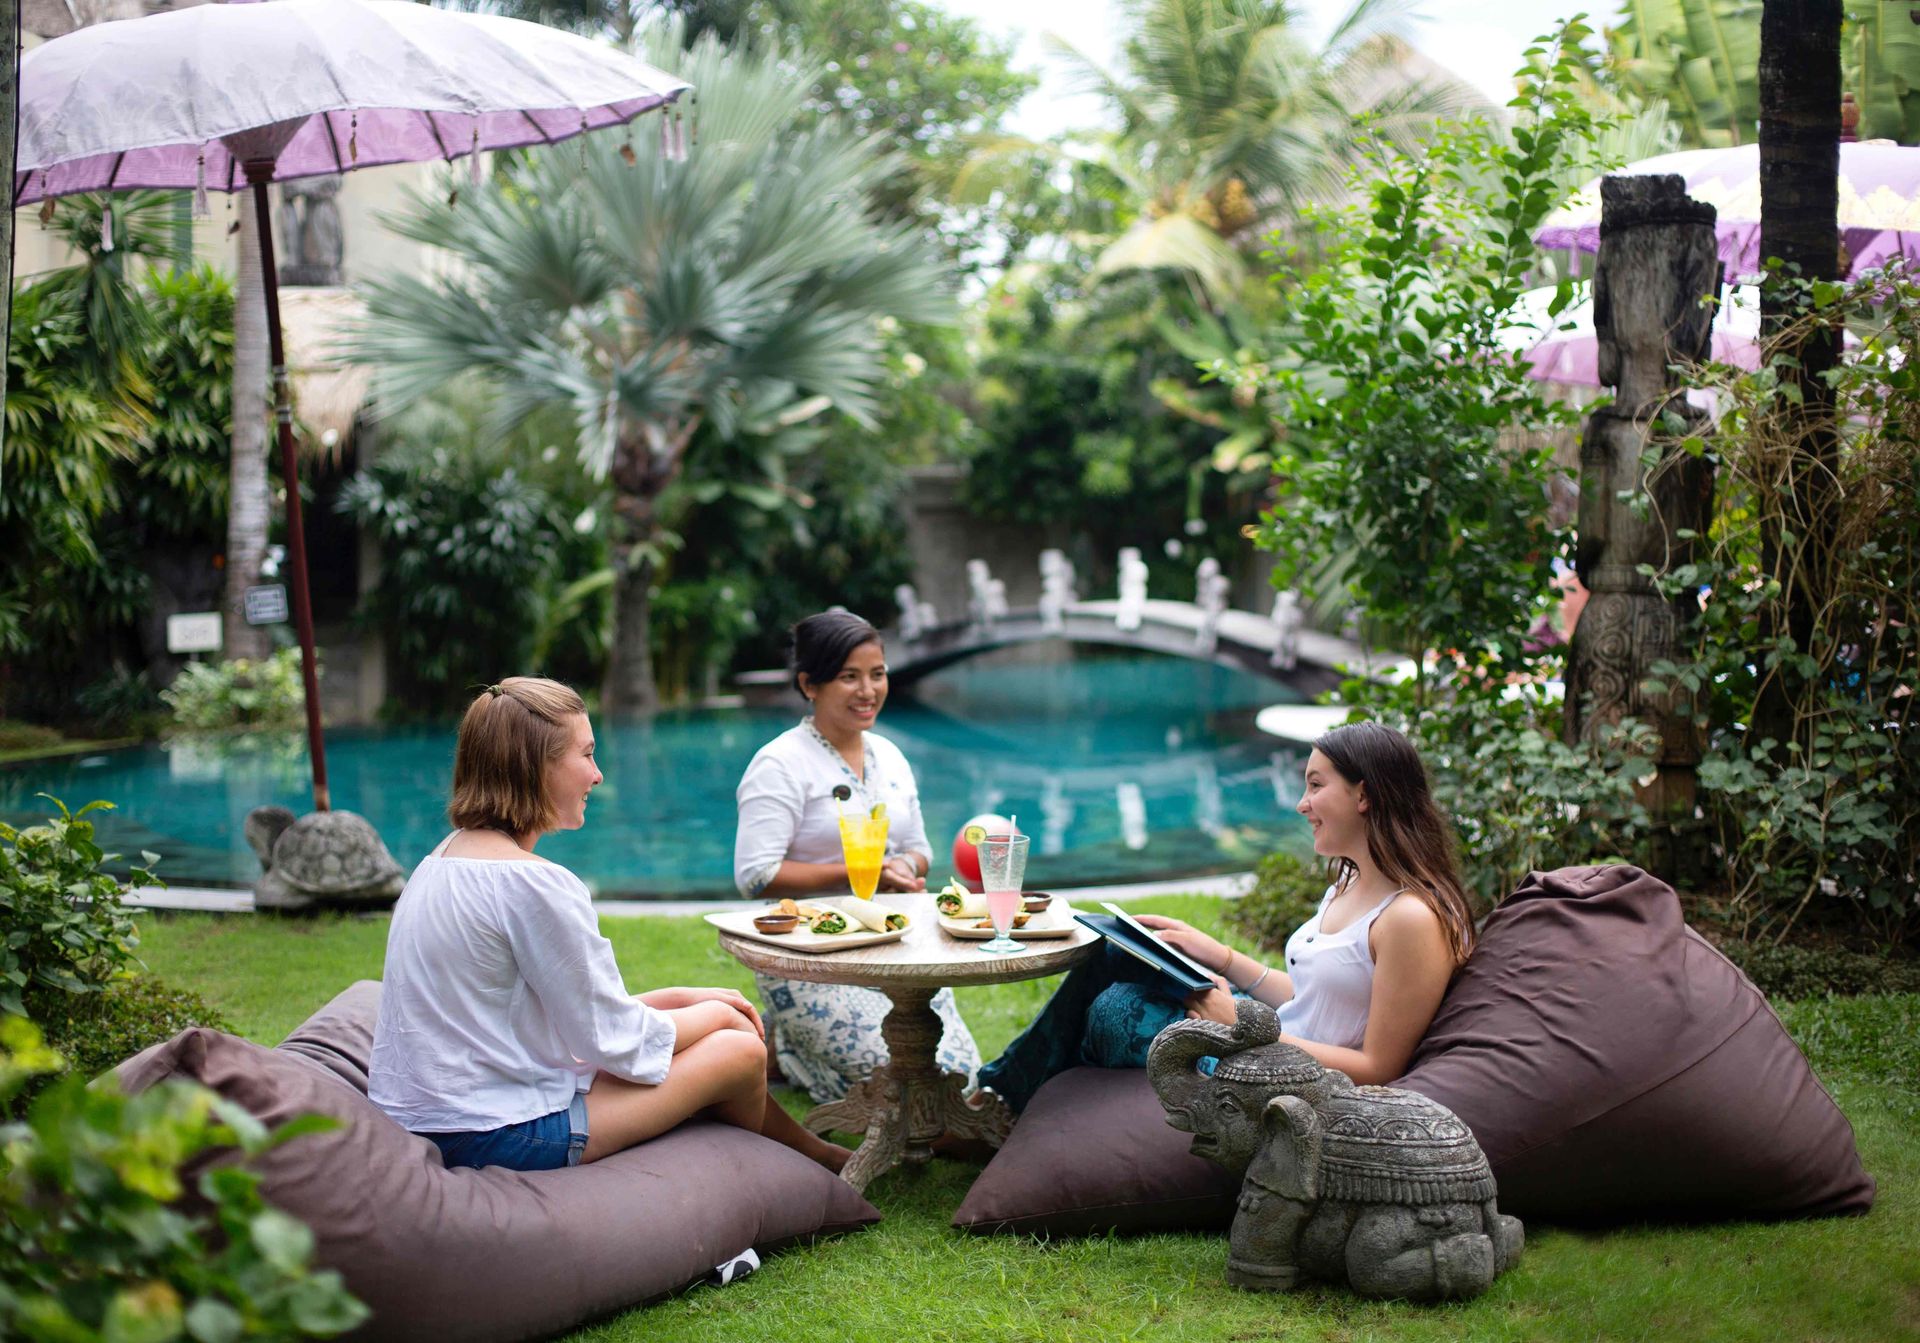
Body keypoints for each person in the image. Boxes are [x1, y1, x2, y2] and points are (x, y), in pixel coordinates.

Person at [368, 676, 847, 1174]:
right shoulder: (532, 883)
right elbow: (614, 1041)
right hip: (496, 1132)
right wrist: (715, 1015)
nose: (597, 775)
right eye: (587, 754)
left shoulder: (439, 861)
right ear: (536, 768)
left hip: (432, 1115)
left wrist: (682, 997)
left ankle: (812, 1155)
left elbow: (551, 1018)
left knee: (717, 1029)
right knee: (739, 1051)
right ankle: (761, 1178)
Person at [976, 721, 1471, 1112]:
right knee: (1120, 949)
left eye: (1316, 786)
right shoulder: (1350, 880)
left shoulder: (1410, 919)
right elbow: (1316, 997)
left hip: (1282, 1070)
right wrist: (1223, 957)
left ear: (1363, 795)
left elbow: (1378, 1067)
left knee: (1114, 1011)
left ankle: (999, 1100)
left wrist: (1241, 1025)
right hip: (1265, 1033)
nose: (1302, 805)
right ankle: (999, 1096)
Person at [734, 609, 982, 1101]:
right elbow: (756, 876)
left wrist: (903, 869)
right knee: (898, 1086)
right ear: (809, 684)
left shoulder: (890, 756)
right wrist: (858, 873)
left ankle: (789, 1049)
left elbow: (919, 849)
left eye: (877, 674)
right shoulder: (779, 763)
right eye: (849, 677)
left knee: (961, 1078)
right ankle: (791, 1046)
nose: (868, 691)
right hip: (807, 954)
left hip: (895, 945)